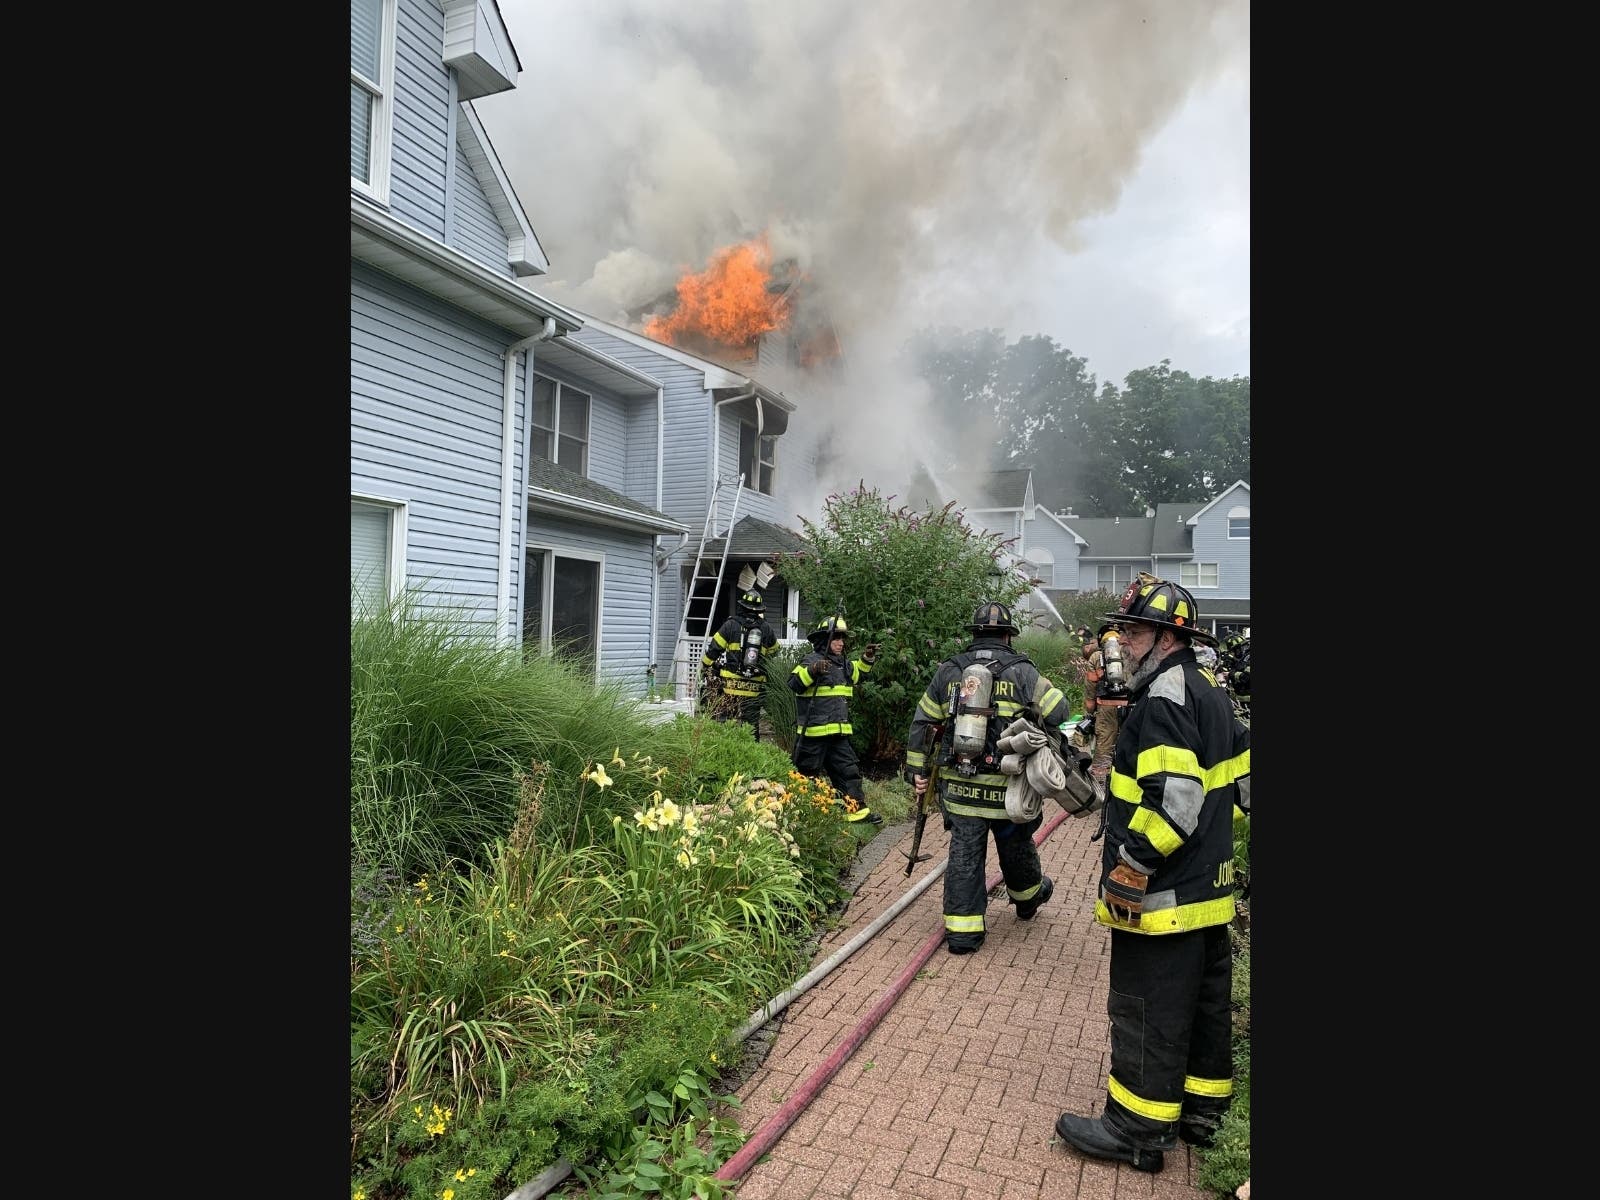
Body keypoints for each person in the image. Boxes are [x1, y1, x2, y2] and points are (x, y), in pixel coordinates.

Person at [1053, 574, 1251, 1175]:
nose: (1124, 641)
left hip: (1163, 895)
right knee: (1204, 1005)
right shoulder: (1208, 690)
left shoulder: (1162, 699)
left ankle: (1137, 1128)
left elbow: (1177, 801)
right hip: (1210, 891)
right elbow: (1244, 781)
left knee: (1146, 1006)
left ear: (1167, 637)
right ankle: (1201, 1113)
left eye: (1135, 630)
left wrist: (1132, 864)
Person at [904, 601, 1071, 954]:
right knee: (1015, 845)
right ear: (1009, 636)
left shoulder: (949, 672)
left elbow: (922, 725)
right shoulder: (1024, 673)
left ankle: (963, 935)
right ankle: (1027, 900)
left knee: (965, 853)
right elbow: (1060, 711)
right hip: (1007, 789)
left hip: (960, 788)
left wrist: (916, 771)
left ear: (974, 634)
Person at [788, 614, 881, 824]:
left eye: (842, 639)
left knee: (848, 771)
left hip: (838, 733)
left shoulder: (844, 665)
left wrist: (867, 658)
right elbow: (794, 683)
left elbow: (858, 674)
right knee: (806, 776)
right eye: (836, 638)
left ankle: (856, 812)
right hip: (813, 734)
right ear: (824, 640)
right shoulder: (811, 661)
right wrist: (813, 671)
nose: (840, 643)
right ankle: (801, 815)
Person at [701, 589, 778, 739]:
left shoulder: (730, 625)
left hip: (731, 687)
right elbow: (774, 651)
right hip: (754, 687)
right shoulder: (766, 628)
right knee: (751, 726)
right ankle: (752, 754)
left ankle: (729, 753)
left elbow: (713, 650)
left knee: (728, 723)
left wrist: (705, 667)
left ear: (742, 607)